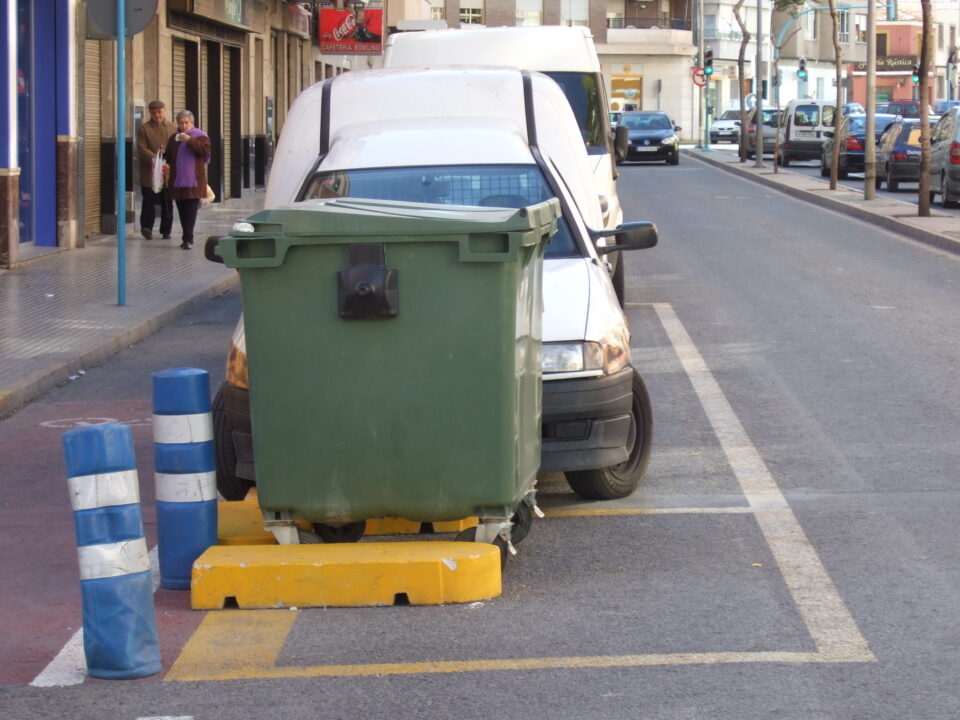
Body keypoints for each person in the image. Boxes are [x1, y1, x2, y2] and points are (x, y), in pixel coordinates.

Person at [164, 110, 211, 249]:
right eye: (181, 123)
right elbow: (169, 157)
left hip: (194, 181)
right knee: (182, 211)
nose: (184, 126)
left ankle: (188, 239)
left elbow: (204, 151)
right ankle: (186, 236)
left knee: (190, 211)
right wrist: (163, 153)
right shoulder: (174, 139)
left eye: (186, 123)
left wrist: (189, 140)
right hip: (177, 181)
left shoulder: (200, 136)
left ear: (192, 123)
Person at [136, 100, 177, 240]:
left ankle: (166, 230)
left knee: (167, 202)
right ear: (150, 113)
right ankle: (146, 228)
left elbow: (177, 149)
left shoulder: (173, 128)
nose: (157, 115)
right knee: (149, 200)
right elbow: (141, 149)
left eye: (159, 112)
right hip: (149, 172)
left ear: (164, 111)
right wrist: (157, 160)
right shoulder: (144, 129)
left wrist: (167, 158)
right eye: (153, 113)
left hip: (167, 172)